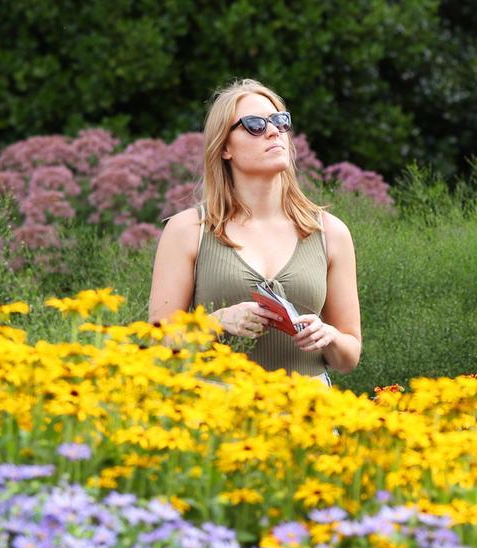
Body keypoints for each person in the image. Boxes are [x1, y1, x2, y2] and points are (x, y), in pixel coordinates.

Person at [147, 78, 361, 384]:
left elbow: (349, 355)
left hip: (309, 419)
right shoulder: (189, 230)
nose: (273, 131)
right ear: (224, 148)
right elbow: (157, 343)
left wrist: (329, 337)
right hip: (218, 418)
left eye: (280, 121)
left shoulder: (330, 233)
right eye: (254, 125)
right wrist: (216, 322)